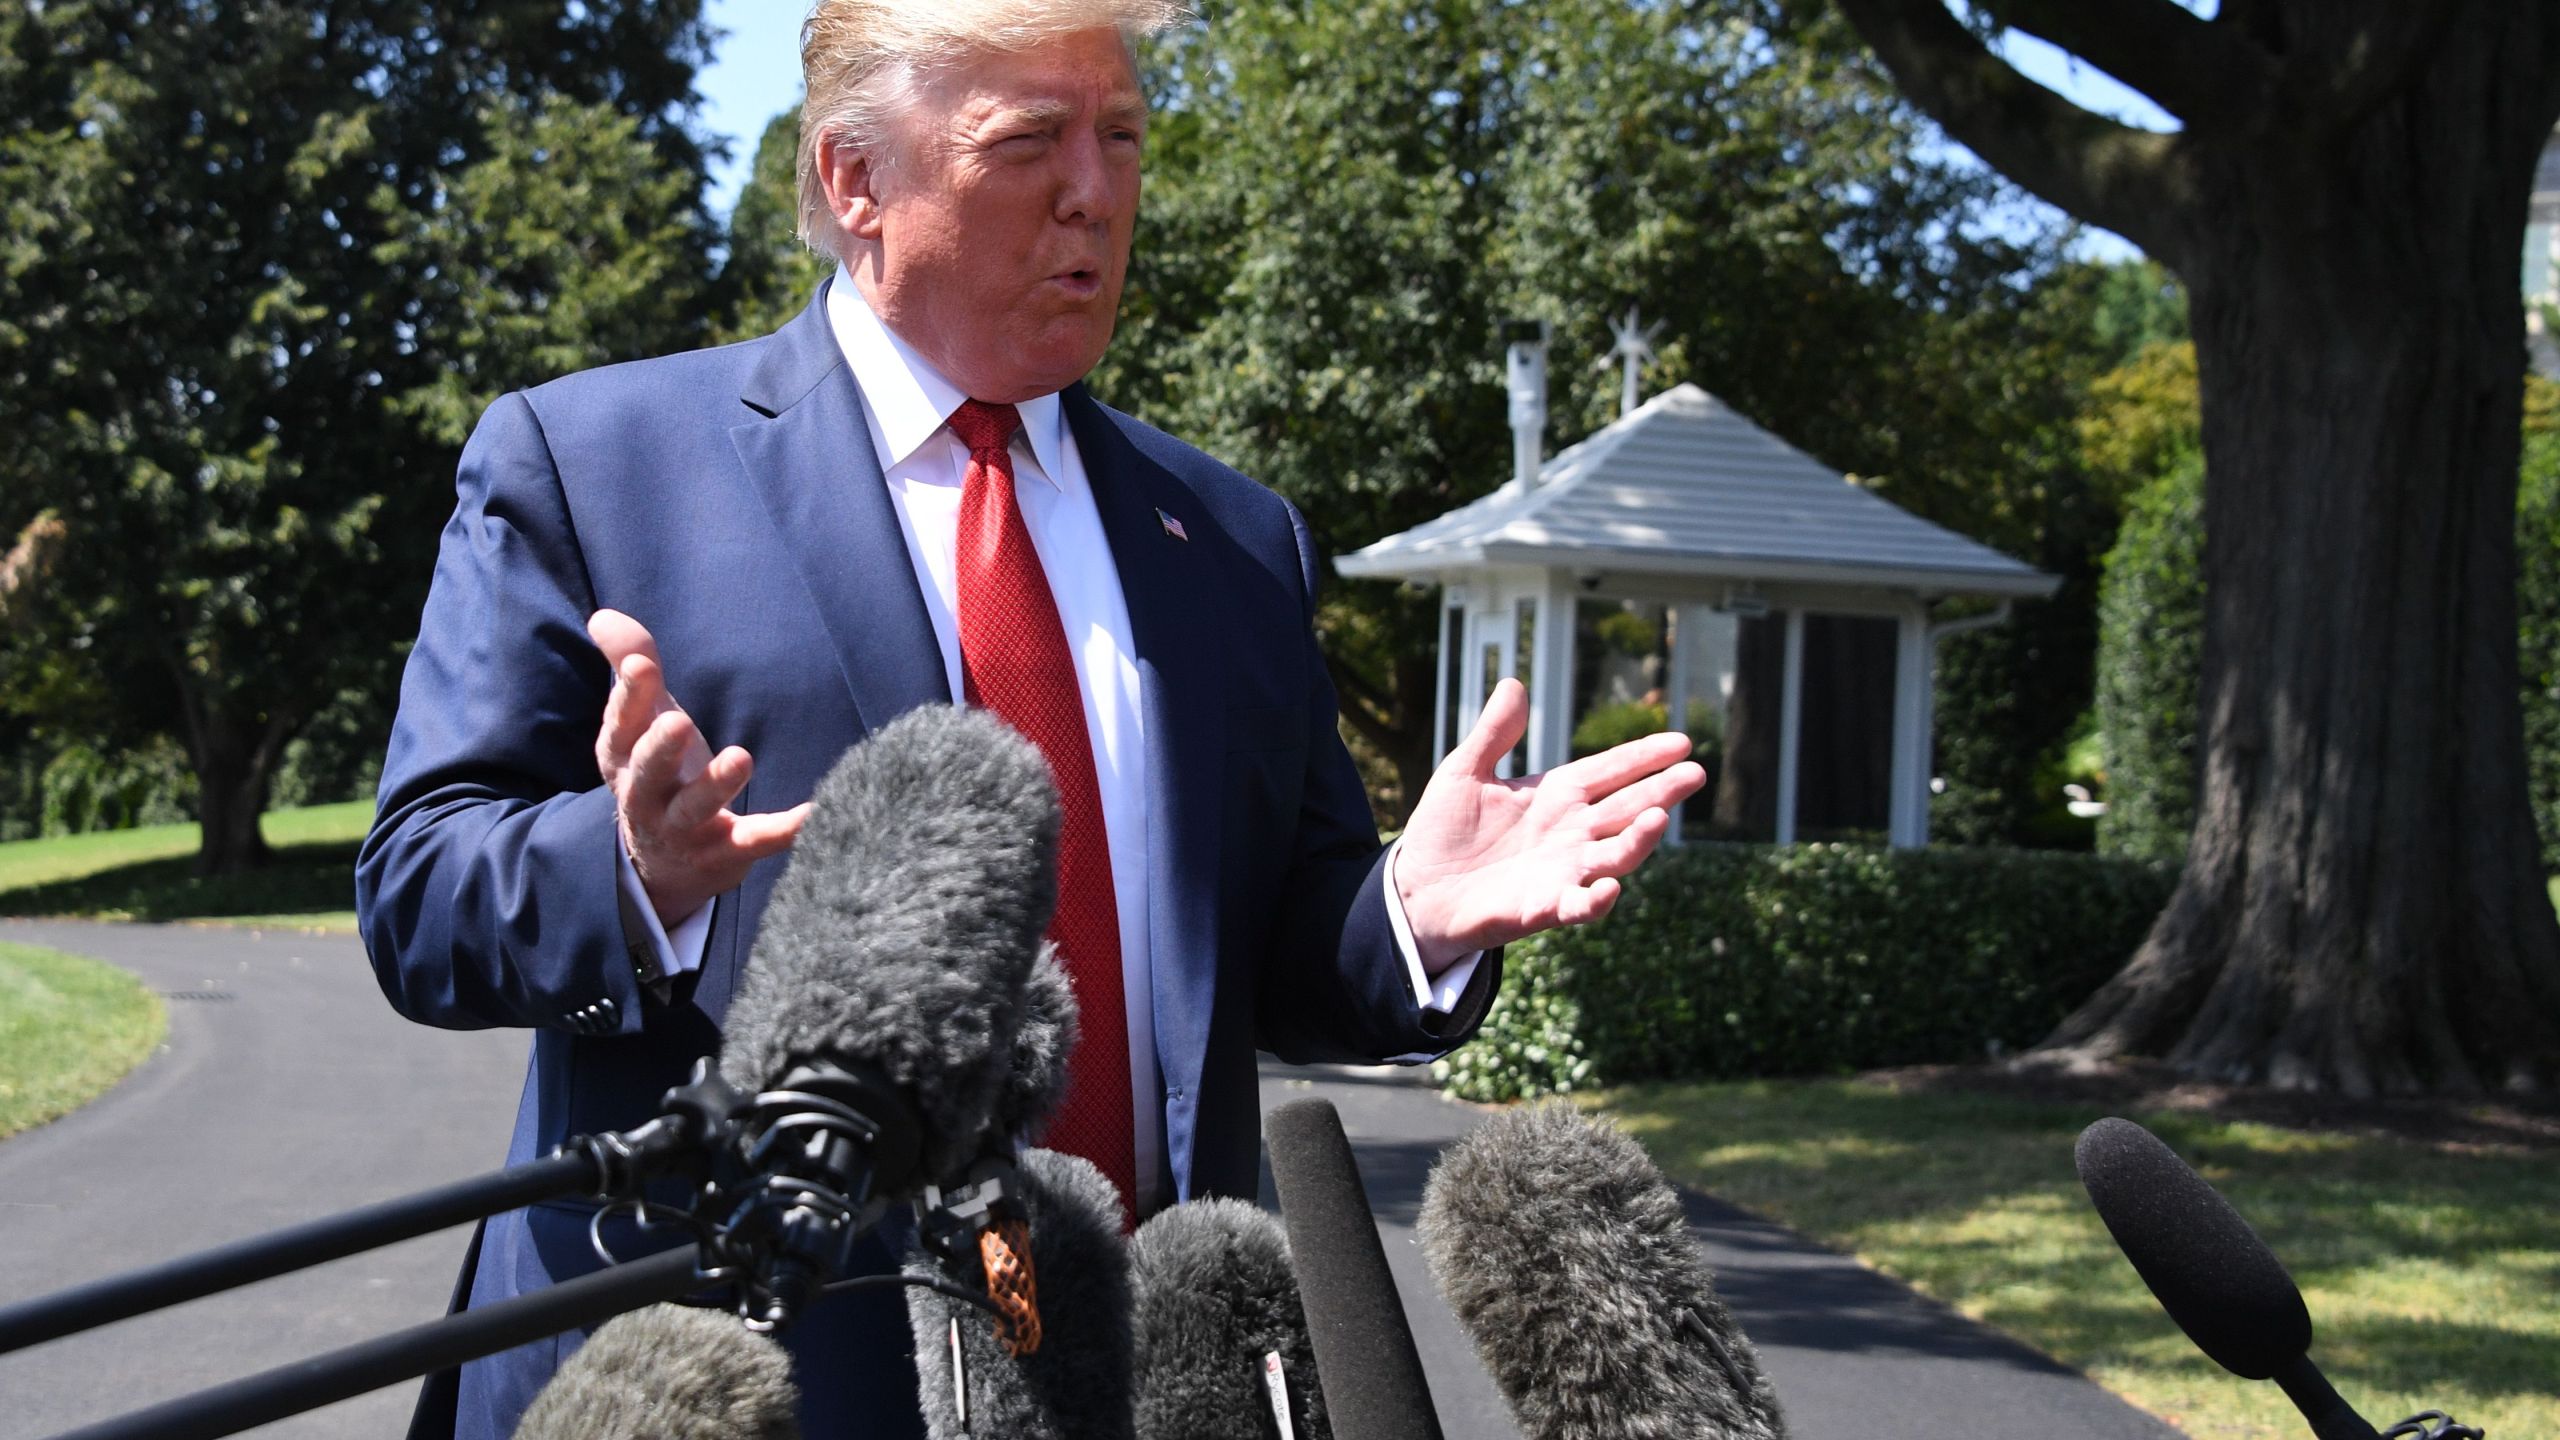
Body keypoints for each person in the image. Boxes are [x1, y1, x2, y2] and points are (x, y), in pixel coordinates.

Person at [354, 1, 1704, 1435]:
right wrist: (634, 879)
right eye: (1030, 142)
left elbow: (1276, 960)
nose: (1098, 191)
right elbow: (420, 895)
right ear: (855, 180)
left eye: (1122, 135)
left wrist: (1414, 921)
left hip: (1133, 1373)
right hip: (752, 1380)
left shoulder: (1235, 541)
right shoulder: (591, 464)